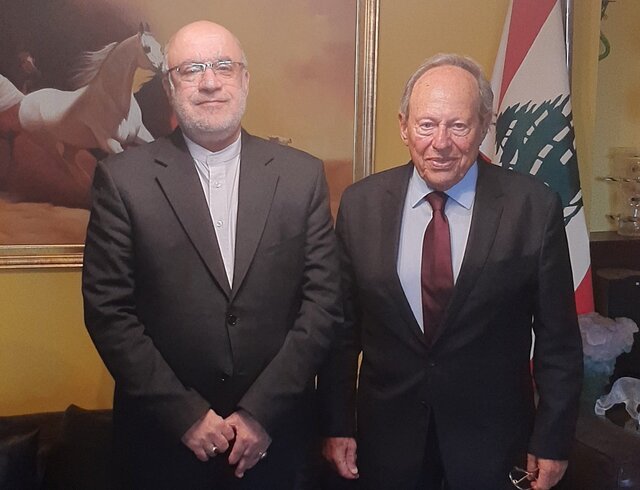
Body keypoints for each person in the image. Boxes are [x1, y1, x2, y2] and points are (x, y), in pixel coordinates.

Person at [82, 20, 341, 489]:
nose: (209, 81)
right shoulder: (122, 181)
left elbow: (322, 305)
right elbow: (108, 312)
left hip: (277, 446)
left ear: (245, 79)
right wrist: (185, 415)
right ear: (169, 86)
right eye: (191, 69)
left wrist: (260, 413)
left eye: (223, 66)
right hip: (163, 448)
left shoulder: (301, 177)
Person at [317, 53, 583, 490]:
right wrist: (337, 423)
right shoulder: (360, 205)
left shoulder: (532, 208)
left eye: (458, 126)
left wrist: (553, 440)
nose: (440, 143)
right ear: (404, 126)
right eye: (426, 125)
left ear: (484, 126)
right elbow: (341, 333)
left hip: (494, 445)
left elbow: (559, 341)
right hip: (386, 444)